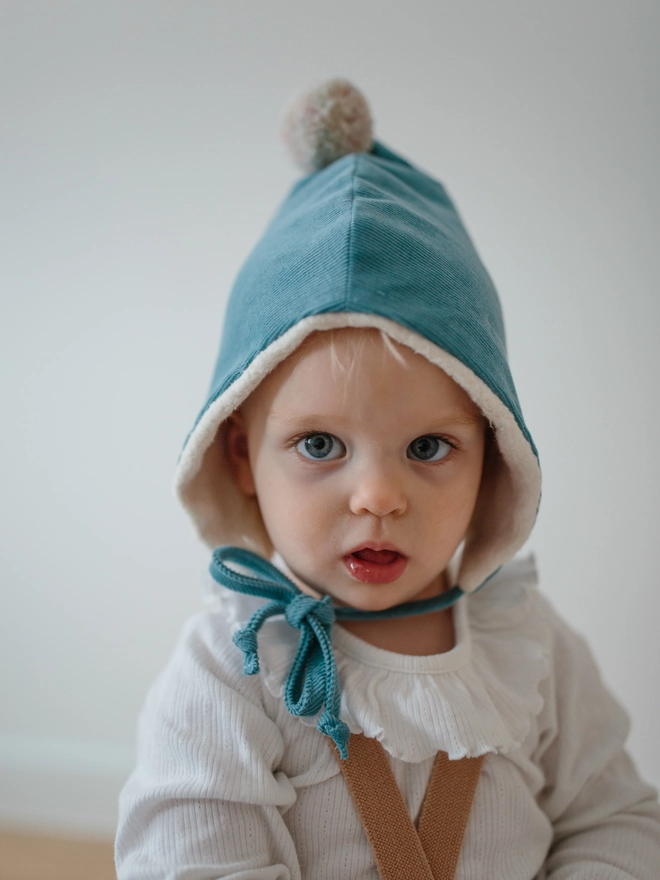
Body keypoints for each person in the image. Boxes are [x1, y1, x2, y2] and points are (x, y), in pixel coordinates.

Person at [115, 80, 660, 879]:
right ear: (240, 458)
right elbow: (193, 858)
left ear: (494, 458)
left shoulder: (531, 645)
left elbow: (616, 820)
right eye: (321, 445)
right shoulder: (232, 670)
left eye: (430, 448)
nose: (378, 496)